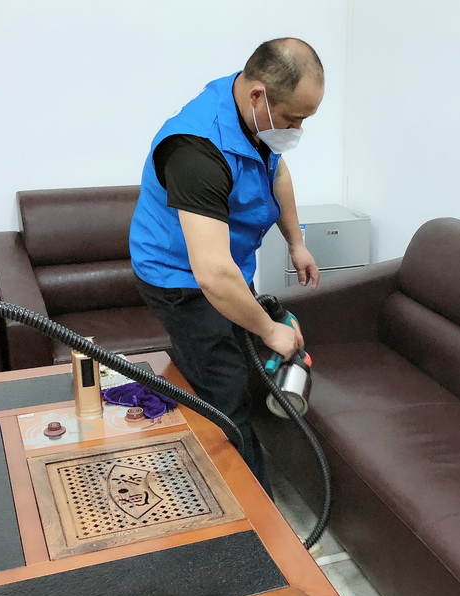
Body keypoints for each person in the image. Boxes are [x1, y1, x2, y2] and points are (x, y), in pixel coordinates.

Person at [129, 38, 324, 494]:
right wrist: (269, 329)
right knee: (225, 395)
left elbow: (276, 171)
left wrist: (296, 242)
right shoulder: (195, 150)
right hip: (180, 279)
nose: (297, 129)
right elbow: (212, 274)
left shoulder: (252, 114)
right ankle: (251, 516)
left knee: (237, 369)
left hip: (226, 269)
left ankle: (238, 471)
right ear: (258, 95)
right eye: (293, 118)